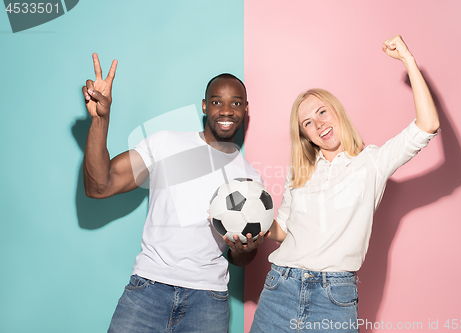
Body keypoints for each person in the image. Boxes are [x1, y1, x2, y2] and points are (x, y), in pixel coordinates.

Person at [250, 35, 440, 332]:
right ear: (305, 135)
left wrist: (408, 60)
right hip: (280, 289)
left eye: (322, 112)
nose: (319, 124)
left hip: (334, 298)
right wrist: (250, 223)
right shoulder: (299, 171)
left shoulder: (372, 162)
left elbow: (427, 125)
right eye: (308, 123)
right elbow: (284, 231)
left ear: (336, 111)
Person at [82, 54, 265, 333]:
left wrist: (246, 251)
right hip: (148, 290)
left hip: (208, 300)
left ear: (245, 109)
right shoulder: (165, 143)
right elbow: (99, 186)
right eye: (217, 102)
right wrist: (100, 120)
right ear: (205, 106)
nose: (226, 111)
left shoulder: (250, 179)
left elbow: (239, 258)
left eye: (235, 103)